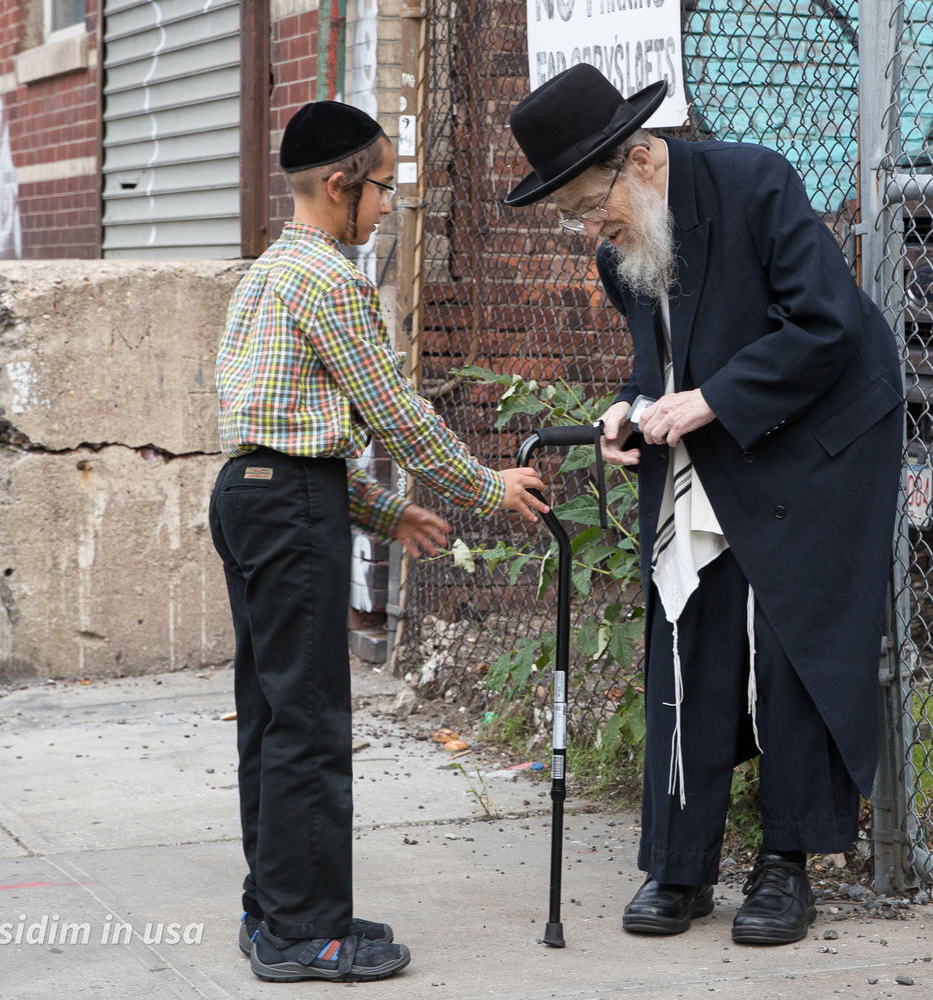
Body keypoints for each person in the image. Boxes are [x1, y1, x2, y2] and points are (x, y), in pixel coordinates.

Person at [504, 64, 904, 946]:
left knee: (788, 646)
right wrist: (629, 403)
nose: (587, 230)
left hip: (823, 437)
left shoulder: (756, 181)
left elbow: (827, 324)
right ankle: (679, 863)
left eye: (585, 206)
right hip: (718, 437)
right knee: (690, 638)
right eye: (570, 215)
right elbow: (662, 362)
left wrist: (710, 399)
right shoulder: (623, 246)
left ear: (640, 158)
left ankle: (787, 864)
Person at [210, 99, 548, 984]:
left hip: (250, 497)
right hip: (289, 508)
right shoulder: (329, 280)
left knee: (274, 712)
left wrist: (384, 513)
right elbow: (394, 416)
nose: (390, 206)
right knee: (313, 720)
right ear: (338, 185)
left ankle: (278, 908)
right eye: (384, 187)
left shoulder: (268, 273)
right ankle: (304, 934)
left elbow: (282, 433)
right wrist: (488, 486)